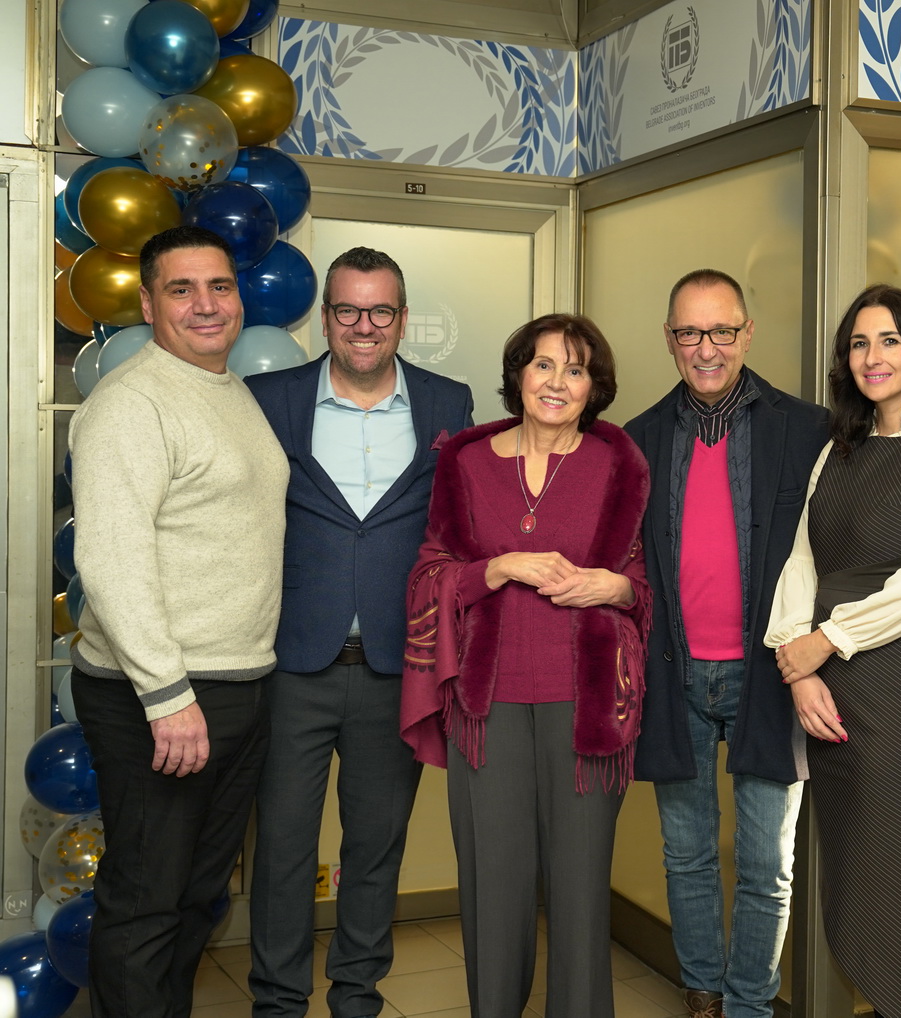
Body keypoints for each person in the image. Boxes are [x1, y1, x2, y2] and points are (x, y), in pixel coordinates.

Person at [243, 247, 474, 1018]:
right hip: (291, 664)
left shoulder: (447, 402)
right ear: (324, 318)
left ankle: (357, 1000)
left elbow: (461, 525)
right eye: (347, 310)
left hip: (396, 665)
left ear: (402, 319)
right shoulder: (269, 398)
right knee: (281, 849)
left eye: (380, 311)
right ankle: (278, 1003)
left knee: (375, 848)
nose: (363, 326)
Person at [399, 313, 650, 1018]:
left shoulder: (619, 462)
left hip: (589, 707)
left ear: (594, 387)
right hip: (486, 709)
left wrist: (614, 587)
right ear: (518, 374)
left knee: (580, 894)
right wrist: (498, 567)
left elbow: (646, 582)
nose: (557, 382)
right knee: (494, 889)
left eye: (576, 369)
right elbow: (429, 573)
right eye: (544, 365)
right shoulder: (466, 461)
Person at [68, 225, 288, 1018]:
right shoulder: (132, 405)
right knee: (146, 901)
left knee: (196, 897)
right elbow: (111, 559)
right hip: (161, 696)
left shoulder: (226, 390)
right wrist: (166, 696)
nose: (205, 305)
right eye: (181, 289)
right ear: (146, 304)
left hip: (235, 684)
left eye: (219, 286)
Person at [765, 284, 901, 1018]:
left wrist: (826, 640)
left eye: (890, 340)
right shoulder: (838, 449)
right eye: (859, 343)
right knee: (853, 878)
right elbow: (802, 562)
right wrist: (797, 664)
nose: (872, 357)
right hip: (832, 694)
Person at [627, 269, 830, 1018]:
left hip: (771, 674)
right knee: (685, 855)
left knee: (765, 864)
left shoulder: (807, 429)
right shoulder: (639, 438)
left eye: (721, 330)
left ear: (747, 333)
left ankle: (750, 1005)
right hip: (673, 673)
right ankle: (703, 995)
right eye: (689, 332)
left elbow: (846, 537)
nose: (705, 348)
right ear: (669, 339)